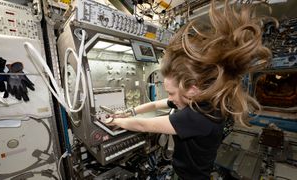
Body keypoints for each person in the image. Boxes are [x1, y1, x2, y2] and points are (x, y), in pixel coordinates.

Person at [105, 0, 276, 179]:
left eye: (171, 92)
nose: (170, 97)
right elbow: (156, 104)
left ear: (192, 89)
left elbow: (143, 125)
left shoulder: (197, 117)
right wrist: (128, 111)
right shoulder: (202, 100)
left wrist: (116, 122)